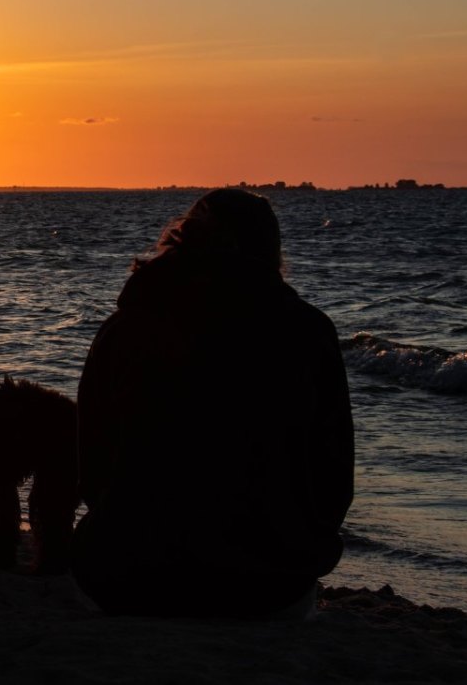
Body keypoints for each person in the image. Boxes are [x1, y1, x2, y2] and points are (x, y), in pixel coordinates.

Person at [73, 189, 353, 618]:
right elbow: (333, 474)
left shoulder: (126, 326)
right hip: (267, 582)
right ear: (271, 251)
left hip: (130, 575)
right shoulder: (308, 332)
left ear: (183, 239)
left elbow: (91, 459)